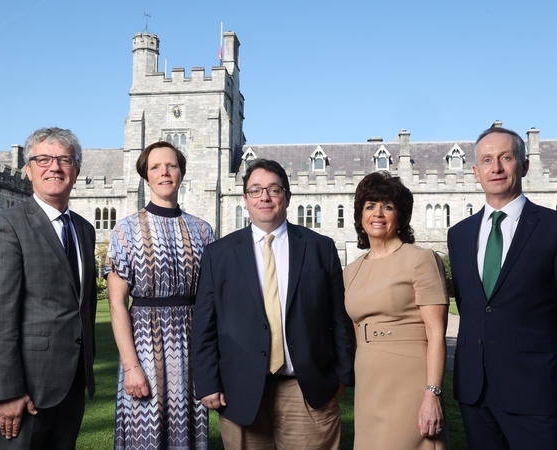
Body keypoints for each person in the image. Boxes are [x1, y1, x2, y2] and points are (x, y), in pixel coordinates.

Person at [192, 158, 356, 449]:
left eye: (273, 189)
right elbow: (205, 325)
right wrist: (207, 382)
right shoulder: (219, 254)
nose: (264, 197)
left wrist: (341, 376)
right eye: (255, 190)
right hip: (239, 389)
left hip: (306, 388)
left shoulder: (321, 248)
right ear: (245, 199)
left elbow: (339, 319)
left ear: (287, 197)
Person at [447, 126, 557, 449]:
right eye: (486, 160)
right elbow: (470, 306)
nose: (495, 168)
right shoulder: (458, 235)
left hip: (534, 390)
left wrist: (545, 368)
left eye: (506, 158)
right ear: (475, 172)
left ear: (524, 165)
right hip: (474, 393)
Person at [0, 127, 97, 449]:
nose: (54, 167)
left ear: (77, 170)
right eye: (42, 159)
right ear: (28, 170)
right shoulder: (7, 225)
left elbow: (82, 306)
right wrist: (6, 391)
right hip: (22, 391)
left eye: (64, 160)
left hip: (70, 387)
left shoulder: (84, 230)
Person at [105, 141, 214, 449]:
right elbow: (116, 303)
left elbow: (211, 301)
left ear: (181, 173)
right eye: (155, 167)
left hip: (191, 349)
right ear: (146, 175)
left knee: (188, 432)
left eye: (171, 165)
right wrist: (131, 366)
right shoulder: (126, 230)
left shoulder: (203, 231)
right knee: (145, 434)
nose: (164, 172)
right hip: (144, 349)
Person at [343, 171, 450, 449]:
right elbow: (358, 333)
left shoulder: (421, 260)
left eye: (387, 206)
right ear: (360, 217)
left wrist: (433, 393)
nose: (378, 213)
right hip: (368, 380)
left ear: (400, 216)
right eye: (370, 206)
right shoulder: (351, 271)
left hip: (409, 380)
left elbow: (437, 333)